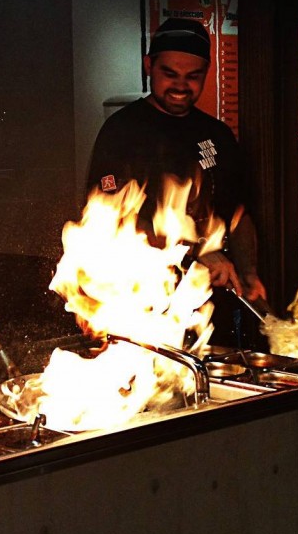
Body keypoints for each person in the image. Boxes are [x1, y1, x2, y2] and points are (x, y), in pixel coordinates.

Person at [86, 18, 267, 344]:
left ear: (206, 72)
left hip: (213, 307)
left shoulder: (217, 134)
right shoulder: (121, 132)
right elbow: (112, 222)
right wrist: (193, 253)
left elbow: (238, 214)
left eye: (192, 76)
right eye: (169, 73)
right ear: (148, 66)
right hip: (148, 304)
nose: (181, 85)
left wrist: (249, 273)